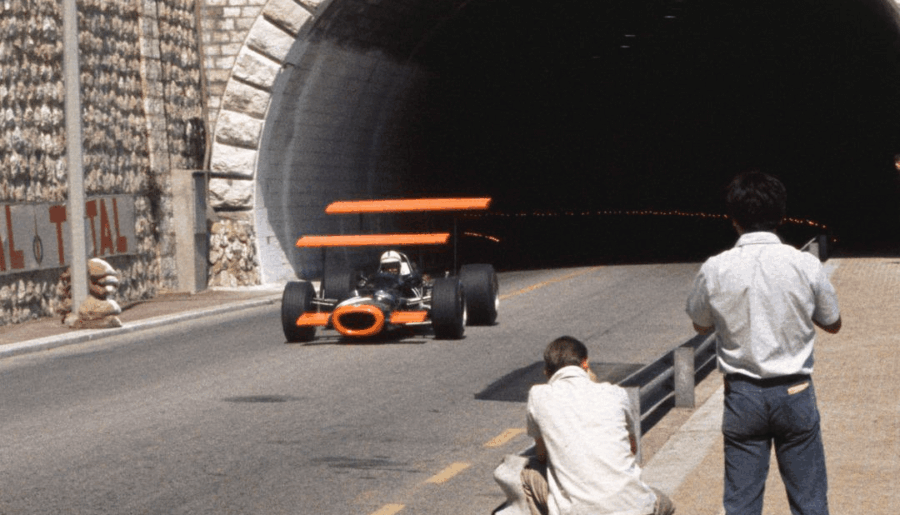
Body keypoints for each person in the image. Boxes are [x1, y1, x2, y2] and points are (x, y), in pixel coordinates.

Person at [685, 171, 842, 515]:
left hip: (742, 396)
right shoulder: (804, 264)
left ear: (733, 218)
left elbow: (700, 324)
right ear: (781, 215)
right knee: (810, 501)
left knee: (741, 504)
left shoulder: (715, 268)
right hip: (795, 391)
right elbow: (833, 323)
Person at [522, 336, 675, 515]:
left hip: (578, 511)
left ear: (547, 372)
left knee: (524, 473)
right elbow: (632, 448)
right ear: (585, 363)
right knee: (664, 502)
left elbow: (541, 455)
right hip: (635, 507)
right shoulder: (615, 393)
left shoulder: (538, 395)